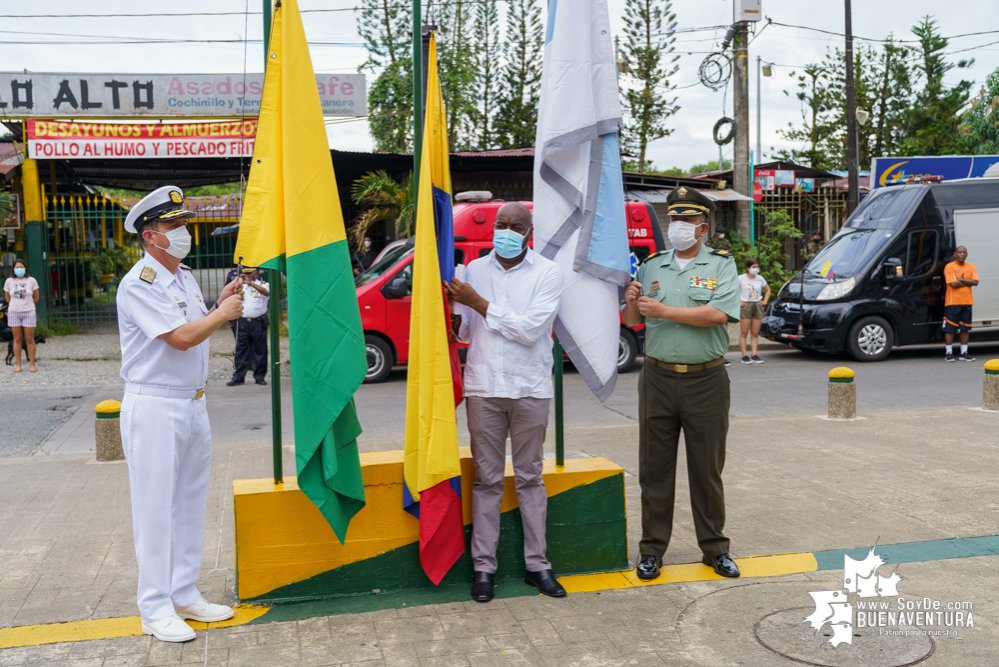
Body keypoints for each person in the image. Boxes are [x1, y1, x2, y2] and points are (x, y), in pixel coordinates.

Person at [116, 186, 245, 643]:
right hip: (154, 405)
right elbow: (181, 338)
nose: (184, 232)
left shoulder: (183, 276)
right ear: (151, 236)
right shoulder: (140, 282)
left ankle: (184, 592)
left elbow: (193, 324)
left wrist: (219, 303)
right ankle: (154, 607)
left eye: (184, 223)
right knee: (154, 510)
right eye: (174, 226)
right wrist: (224, 314)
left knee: (189, 503)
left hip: (192, 402)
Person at [447, 202, 567, 603]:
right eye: (502, 224)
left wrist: (478, 303)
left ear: (529, 232)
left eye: (516, 225)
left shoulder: (548, 272)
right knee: (487, 481)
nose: (507, 230)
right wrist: (450, 310)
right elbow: (464, 331)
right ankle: (484, 569)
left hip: (531, 387)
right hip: (484, 387)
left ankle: (538, 565)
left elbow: (532, 330)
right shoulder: (472, 272)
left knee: (530, 476)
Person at [622, 186, 741, 582]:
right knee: (654, 471)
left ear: (703, 228)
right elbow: (632, 322)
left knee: (707, 470)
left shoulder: (722, 266)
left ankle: (715, 549)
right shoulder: (651, 265)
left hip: (706, 380)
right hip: (656, 377)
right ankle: (652, 550)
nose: (676, 226)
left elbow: (717, 315)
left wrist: (663, 309)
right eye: (673, 219)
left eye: (686, 220)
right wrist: (629, 301)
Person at [227, 267, 270, 386]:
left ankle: (259, 376)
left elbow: (266, 293)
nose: (246, 275)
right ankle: (238, 377)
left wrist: (251, 284)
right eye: (245, 273)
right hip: (242, 322)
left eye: (249, 273)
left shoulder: (263, 285)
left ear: (257, 273)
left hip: (258, 322)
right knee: (241, 350)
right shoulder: (241, 286)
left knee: (260, 350)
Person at [943, 246, 978, 362]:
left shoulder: (971, 266)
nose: (962, 254)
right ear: (955, 254)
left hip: (967, 302)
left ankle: (964, 353)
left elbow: (976, 282)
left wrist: (961, 280)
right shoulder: (949, 267)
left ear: (967, 254)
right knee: (950, 329)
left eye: (964, 252)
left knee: (965, 328)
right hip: (953, 303)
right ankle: (949, 353)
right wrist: (968, 282)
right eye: (959, 252)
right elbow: (953, 284)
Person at [4, 259, 40, 372]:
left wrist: (27, 305)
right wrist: (17, 306)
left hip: (29, 312)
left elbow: (36, 297)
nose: (19, 269)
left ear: (25, 268)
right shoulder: (9, 281)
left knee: (29, 339)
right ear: (13, 269)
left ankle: (32, 364)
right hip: (14, 312)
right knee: (17, 338)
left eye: (21, 267)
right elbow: (7, 298)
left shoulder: (32, 280)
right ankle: (18, 365)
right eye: (17, 267)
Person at [738, 258, 770, 364]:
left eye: (757, 267)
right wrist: (738, 301)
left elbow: (767, 290)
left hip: (757, 304)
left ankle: (754, 354)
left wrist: (764, 301)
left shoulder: (760, 278)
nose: (756, 269)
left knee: (755, 333)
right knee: (744, 332)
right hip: (746, 305)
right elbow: (733, 290)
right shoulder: (741, 278)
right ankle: (744, 356)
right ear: (748, 268)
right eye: (753, 267)